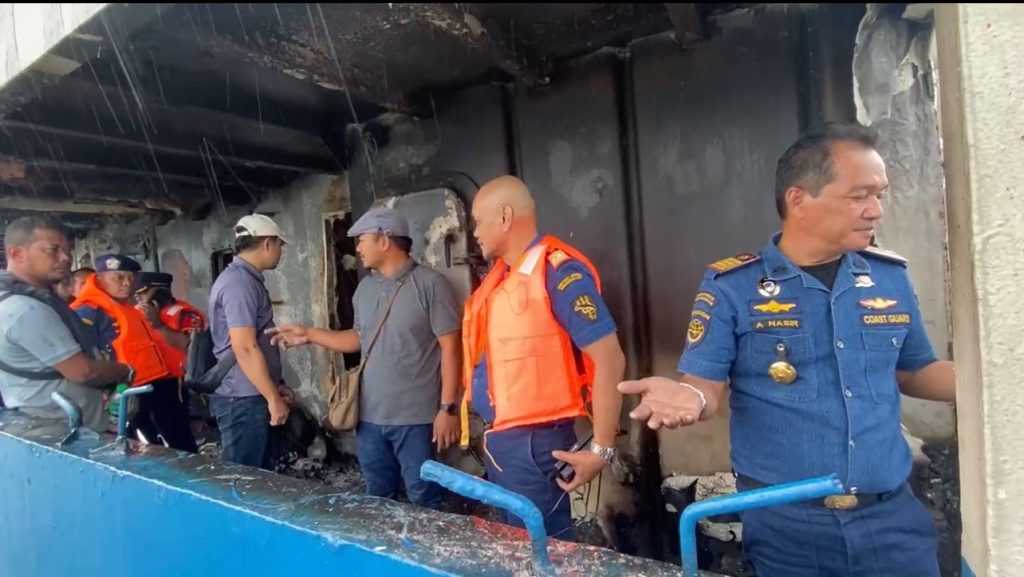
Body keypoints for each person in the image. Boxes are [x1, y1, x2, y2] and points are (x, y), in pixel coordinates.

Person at [619, 123, 955, 577]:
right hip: (790, 529)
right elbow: (704, 387)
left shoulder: (888, 277)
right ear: (798, 200)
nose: (875, 210)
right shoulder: (733, 286)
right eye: (858, 196)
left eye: (880, 195)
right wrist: (690, 398)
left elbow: (915, 370)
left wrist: (997, 380)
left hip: (892, 522)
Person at [461, 175, 626, 540]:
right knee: (517, 547)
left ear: (505, 216)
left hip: (533, 447)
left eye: (478, 221)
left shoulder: (557, 271)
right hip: (504, 442)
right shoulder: (505, 278)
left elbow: (610, 359)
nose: (475, 232)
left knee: (543, 551)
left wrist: (601, 449)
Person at [271, 208, 462, 510]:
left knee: (424, 497)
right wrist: (308, 334)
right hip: (369, 417)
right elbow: (358, 339)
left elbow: (451, 348)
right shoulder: (366, 288)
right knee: (377, 495)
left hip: (416, 418)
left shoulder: (430, 285)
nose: (357, 248)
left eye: (362, 240)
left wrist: (447, 409)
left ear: (384, 241)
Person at [0, 217, 131, 432]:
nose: (65, 258)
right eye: (52, 250)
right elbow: (84, 372)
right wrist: (125, 370)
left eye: (67, 250)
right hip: (62, 432)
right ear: (16, 254)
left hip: (47, 424)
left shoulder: (13, 300)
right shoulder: (26, 310)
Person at [73, 255, 197, 452]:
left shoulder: (125, 306)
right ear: (100, 278)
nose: (127, 284)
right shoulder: (89, 312)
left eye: (131, 278)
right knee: (128, 444)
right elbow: (84, 357)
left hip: (152, 384)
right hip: (121, 389)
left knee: (176, 440)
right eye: (119, 278)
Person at [208, 214, 294, 468]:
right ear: (268, 243)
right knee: (244, 478)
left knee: (258, 476)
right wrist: (272, 398)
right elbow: (244, 347)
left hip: (249, 395)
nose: (281, 252)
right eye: (280, 245)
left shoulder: (244, 280)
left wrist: (274, 385)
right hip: (242, 400)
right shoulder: (239, 284)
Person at [134, 272, 206, 352]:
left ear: (160, 293)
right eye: (137, 294)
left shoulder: (185, 315)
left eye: (143, 292)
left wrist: (157, 324)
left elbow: (193, 349)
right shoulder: (138, 313)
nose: (138, 298)